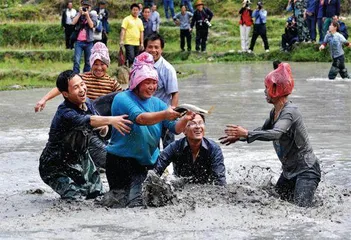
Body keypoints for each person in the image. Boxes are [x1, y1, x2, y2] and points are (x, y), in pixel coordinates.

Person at [219, 63, 321, 207]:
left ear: (276, 89)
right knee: (278, 204)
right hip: (289, 172)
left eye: (267, 88)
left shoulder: (290, 112)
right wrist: (240, 137)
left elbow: (276, 133)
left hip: (306, 170)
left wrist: (247, 134)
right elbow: (263, 130)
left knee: (302, 212)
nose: (265, 91)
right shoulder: (274, 112)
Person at [105, 52, 195, 208]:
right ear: (136, 82)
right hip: (121, 161)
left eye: (154, 82)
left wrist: (186, 119)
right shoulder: (122, 98)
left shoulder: (158, 103)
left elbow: (176, 129)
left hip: (146, 163)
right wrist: (165, 114)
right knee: (120, 203)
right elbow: (140, 118)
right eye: (147, 82)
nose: (152, 87)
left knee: (141, 202)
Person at [39, 70, 132, 200]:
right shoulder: (65, 113)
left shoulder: (87, 103)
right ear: (65, 94)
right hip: (55, 165)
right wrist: (111, 120)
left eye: (82, 84)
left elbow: (98, 124)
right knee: (76, 197)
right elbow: (88, 120)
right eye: (76, 87)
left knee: (97, 194)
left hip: (81, 157)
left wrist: (104, 128)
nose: (82, 89)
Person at [35, 42, 123, 168]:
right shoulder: (82, 79)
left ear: (107, 65)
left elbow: (125, 99)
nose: (99, 68)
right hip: (84, 119)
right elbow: (61, 88)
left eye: (102, 64)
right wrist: (44, 99)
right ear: (91, 64)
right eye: (95, 64)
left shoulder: (112, 83)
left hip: (101, 121)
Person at [153, 113, 226, 186]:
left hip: (206, 189)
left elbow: (220, 181)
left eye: (201, 123)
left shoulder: (214, 149)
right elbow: (155, 171)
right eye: (192, 124)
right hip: (181, 188)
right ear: (184, 130)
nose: (198, 127)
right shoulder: (174, 147)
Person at [144, 33, 179, 148]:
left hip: (164, 114)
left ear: (161, 49)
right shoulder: (140, 66)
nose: (153, 50)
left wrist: (173, 115)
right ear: (145, 48)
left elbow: (174, 94)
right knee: (150, 147)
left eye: (156, 47)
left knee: (170, 148)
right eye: (150, 47)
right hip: (146, 114)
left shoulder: (168, 69)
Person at [71, 0, 98, 74]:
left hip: (89, 41)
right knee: (76, 60)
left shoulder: (93, 15)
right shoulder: (78, 14)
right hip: (78, 41)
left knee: (88, 61)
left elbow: (92, 25)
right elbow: (73, 22)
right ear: (81, 6)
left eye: (87, 7)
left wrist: (87, 15)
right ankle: (75, 75)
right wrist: (80, 13)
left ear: (90, 8)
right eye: (84, 6)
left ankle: (86, 76)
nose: (85, 8)